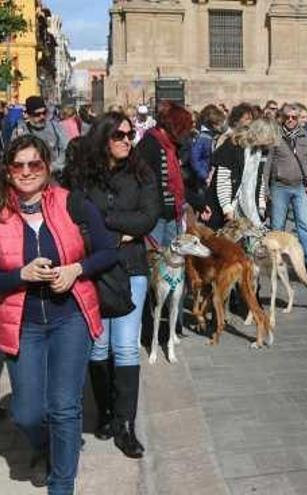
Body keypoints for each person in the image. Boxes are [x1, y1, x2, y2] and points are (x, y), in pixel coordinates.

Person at [0, 134, 117, 492]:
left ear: (47, 167)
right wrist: (20, 275)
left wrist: (75, 270)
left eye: (34, 164)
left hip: (70, 319)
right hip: (23, 324)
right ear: (7, 172)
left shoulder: (72, 204)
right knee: (27, 413)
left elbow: (107, 251)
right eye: (18, 165)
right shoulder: (2, 216)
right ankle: (46, 447)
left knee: (65, 407)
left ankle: (62, 485)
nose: (26, 171)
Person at [63, 113, 160, 459]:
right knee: (98, 346)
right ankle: (104, 413)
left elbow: (149, 217)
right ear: (103, 137)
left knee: (127, 347)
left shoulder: (141, 171)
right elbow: (72, 215)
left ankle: (125, 425)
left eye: (130, 134)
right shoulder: (81, 174)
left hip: (131, 266)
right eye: (119, 135)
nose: (126, 140)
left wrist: (103, 225)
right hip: (92, 270)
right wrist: (115, 229)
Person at [266, 104, 307, 271]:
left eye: (294, 117)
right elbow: (268, 163)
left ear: (298, 119)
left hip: (300, 187)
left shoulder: (306, 136)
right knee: (277, 225)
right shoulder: (275, 136)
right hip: (279, 186)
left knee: (304, 224)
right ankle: (275, 258)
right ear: (282, 118)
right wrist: (265, 189)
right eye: (287, 117)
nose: (290, 120)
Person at [136, 102, 192, 246]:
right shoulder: (149, 144)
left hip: (172, 213)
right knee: (156, 259)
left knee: (174, 260)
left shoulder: (171, 146)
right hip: (156, 216)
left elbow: (175, 181)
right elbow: (142, 182)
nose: (185, 134)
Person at [211, 118, 276, 228]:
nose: (267, 145)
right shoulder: (233, 146)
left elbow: (260, 179)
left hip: (249, 204)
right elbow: (223, 179)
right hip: (228, 202)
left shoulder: (262, 150)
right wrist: (227, 207)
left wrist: (261, 204)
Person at [11, 96, 69, 173]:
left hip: (54, 173)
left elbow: (66, 148)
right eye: (37, 114)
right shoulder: (20, 131)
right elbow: (14, 155)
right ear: (29, 115)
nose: (42, 117)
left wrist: (54, 166)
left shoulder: (55, 127)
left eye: (44, 113)